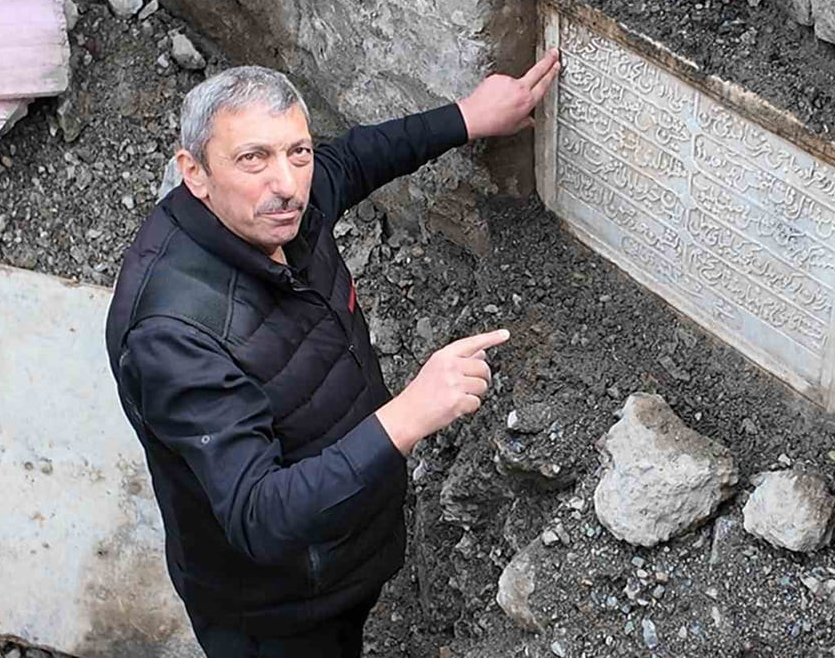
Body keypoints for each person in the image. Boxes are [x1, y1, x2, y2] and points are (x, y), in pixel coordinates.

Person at [104, 50, 560, 657]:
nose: (287, 184)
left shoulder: (279, 209)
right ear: (195, 173)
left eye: (298, 151)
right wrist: (409, 414)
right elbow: (260, 514)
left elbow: (356, 158)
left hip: (344, 552)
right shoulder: (173, 336)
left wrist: (468, 117)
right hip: (277, 609)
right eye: (253, 159)